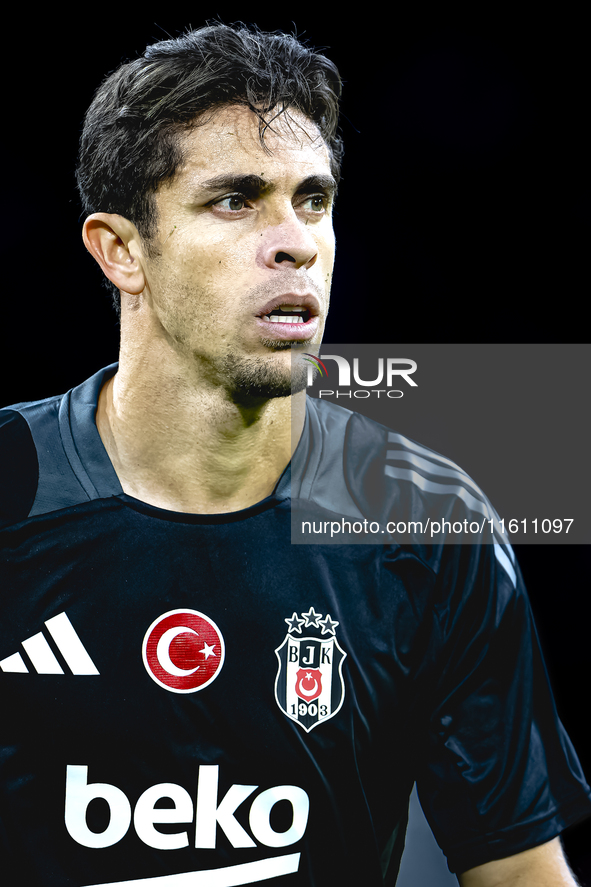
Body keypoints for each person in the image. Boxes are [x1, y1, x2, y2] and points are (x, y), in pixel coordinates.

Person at [0, 22, 589, 887]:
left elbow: (518, 874)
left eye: (311, 200)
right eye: (235, 201)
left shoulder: (425, 517)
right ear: (121, 250)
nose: (297, 242)